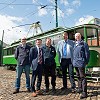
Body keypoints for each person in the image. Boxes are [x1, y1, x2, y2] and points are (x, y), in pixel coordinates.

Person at [73, 33, 90, 99]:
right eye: (76, 36)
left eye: (78, 36)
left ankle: (84, 92)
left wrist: (86, 61)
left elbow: (87, 53)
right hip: (75, 63)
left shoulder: (84, 43)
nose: (77, 37)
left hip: (81, 63)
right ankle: (80, 88)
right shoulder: (75, 44)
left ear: (80, 36)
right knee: (78, 76)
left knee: (83, 77)